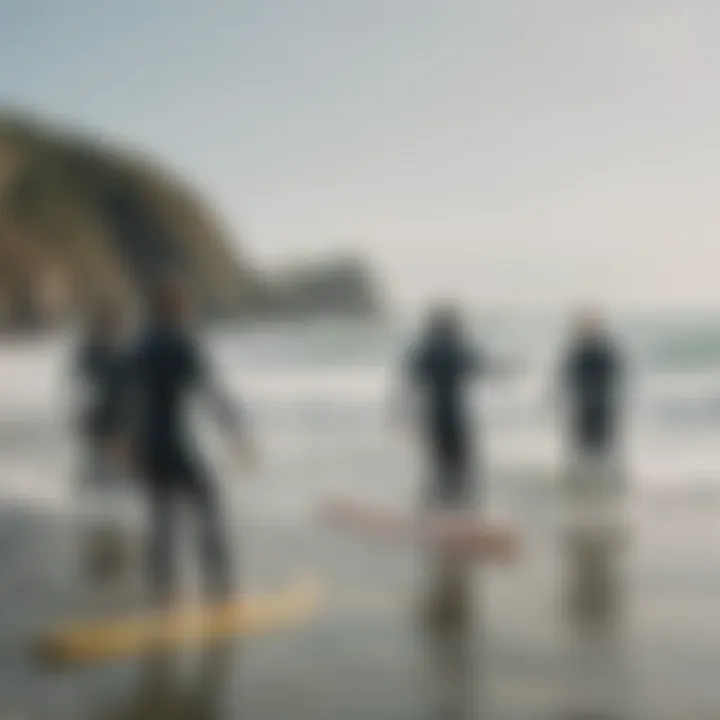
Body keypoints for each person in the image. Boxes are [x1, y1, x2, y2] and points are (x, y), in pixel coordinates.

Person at [120, 273, 252, 606]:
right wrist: (236, 432)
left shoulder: (140, 343)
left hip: (147, 442)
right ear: (179, 307)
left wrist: (127, 439)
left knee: (160, 516)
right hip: (175, 441)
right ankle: (220, 590)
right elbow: (211, 392)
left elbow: (122, 394)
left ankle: (163, 592)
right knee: (208, 506)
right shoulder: (184, 343)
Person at [394, 303, 514, 510]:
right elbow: (483, 366)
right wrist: (507, 368)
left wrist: (404, 416)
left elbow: (408, 384)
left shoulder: (424, 349)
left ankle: (433, 509)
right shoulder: (457, 347)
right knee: (463, 466)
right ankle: (464, 511)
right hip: (456, 414)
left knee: (439, 465)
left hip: (433, 415)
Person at [72, 298, 133, 579]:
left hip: (101, 419)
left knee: (104, 477)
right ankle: (106, 531)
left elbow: (81, 385)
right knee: (110, 476)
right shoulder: (107, 350)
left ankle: (102, 525)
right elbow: (91, 387)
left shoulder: (95, 349)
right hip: (106, 421)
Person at [559, 310, 625, 508]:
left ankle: (605, 490)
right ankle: (586, 491)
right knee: (583, 449)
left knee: (603, 449)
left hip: (600, 407)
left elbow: (615, 377)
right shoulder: (578, 352)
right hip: (585, 407)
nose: (584, 331)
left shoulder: (605, 351)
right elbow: (566, 379)